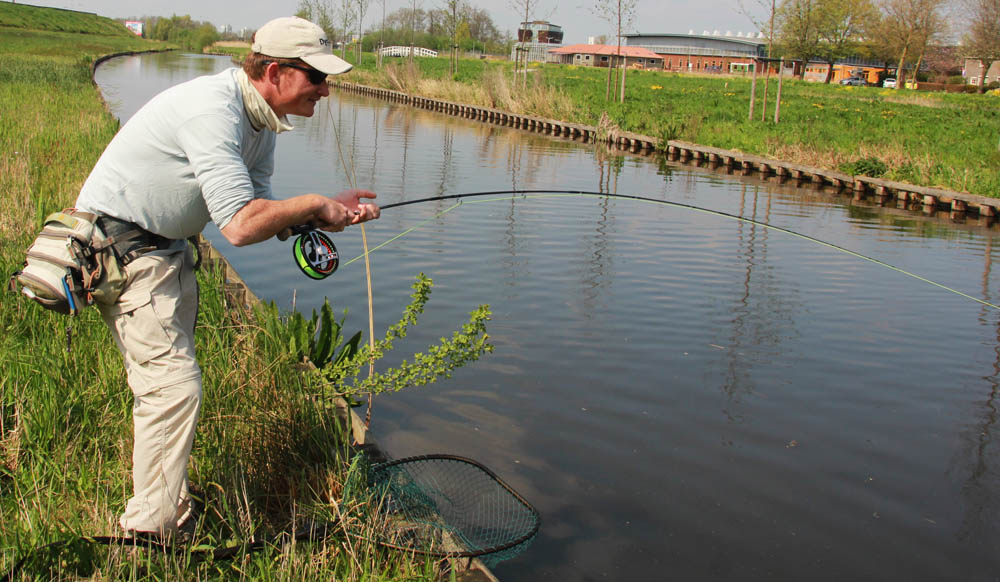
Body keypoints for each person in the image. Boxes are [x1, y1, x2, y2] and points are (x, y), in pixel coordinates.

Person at [74, 16, 380, 538]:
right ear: (276, 71)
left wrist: (323, 212)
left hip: (165, 250)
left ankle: (167, 506)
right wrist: (312, 203)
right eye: (316, 77)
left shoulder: (260, 122)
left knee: (168, 388)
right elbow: (239, 226)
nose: (326, 90)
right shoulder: (213, 111)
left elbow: (258, 211)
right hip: (123, 249)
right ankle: (149, 535)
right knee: (172, 389)